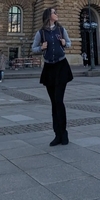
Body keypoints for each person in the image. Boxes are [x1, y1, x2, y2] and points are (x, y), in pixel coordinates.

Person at [32, 8, 73, 146]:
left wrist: (64, 44)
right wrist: (41, 48)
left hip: (61, 67)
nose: (57, 14)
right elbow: (33, 49)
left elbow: (69, 44)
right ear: (49, 16)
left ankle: (64, 133)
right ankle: (57, 134)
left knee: (59, 101)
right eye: (55, 12)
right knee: (54, 103)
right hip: (49, 68)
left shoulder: (61, 30)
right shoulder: (41, 33)